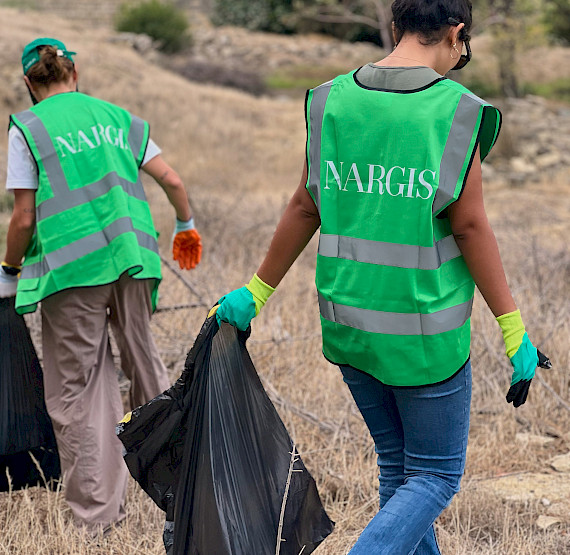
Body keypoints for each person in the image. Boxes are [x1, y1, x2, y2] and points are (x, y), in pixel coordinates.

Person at [213, 1, 551, 553]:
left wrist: (256, 291)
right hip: (424, 341)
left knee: (400, 476)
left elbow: (305, 205)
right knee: (435, 477)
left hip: (350, 327)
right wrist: (514, 330)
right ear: (456, 33)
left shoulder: (328, 100)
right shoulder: (457, 111)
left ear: (396, 26)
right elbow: (468, 226)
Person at [0, 38, 202, 535]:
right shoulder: (116, 117)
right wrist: (185, 225)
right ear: (76, 72)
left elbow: (24, 215)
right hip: (133, 261)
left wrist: (8, 269)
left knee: (81, 391)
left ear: (29, 83)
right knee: (146, 369)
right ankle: (184, 492)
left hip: (72, 273)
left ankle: (99, 520)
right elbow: (172, 180)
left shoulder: (28, 127)